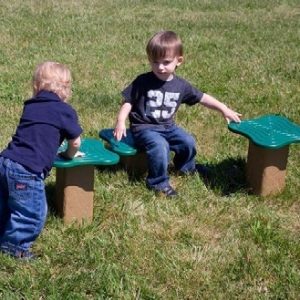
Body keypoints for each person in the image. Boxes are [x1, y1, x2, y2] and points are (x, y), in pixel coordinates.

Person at [114, 30, 241, 197]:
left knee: (187, 141)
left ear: (178, 61)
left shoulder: (181, 86)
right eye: (155, 62)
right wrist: (121, 120)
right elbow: (128, 101)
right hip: (144, 128)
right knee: (160, 146)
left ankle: (186, 167)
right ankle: (157, 182)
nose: (160, 67)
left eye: (166, 62)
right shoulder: (142, 81)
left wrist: (223, 108)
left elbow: (202, 97)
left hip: (168, 126)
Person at [0, 61, 83, 259]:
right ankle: (14, 248)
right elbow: (76, 142)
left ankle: (4, 231)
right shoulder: (65, 111)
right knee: (31, 213)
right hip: (27, 171)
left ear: (36, 87)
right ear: (66, 90)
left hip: (5, 161)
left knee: (5, 204)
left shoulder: (31, 106)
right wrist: (67, 155)